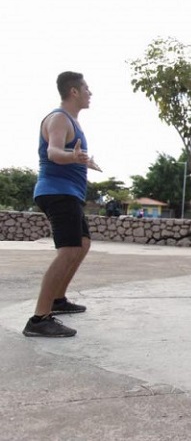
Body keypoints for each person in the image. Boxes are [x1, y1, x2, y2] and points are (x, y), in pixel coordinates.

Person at [23, 71, 101, 338]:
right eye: (87, 88)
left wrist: (83, 160)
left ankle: (58, 300)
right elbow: (53, 152)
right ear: (74, 92)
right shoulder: (59, 118)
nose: (90, 93)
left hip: (68, 193)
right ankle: (39, 319)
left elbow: (67, 152)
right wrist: (73, 157)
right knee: (68, 250)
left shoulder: (73, 123)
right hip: (57, 192)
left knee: (83, 244)